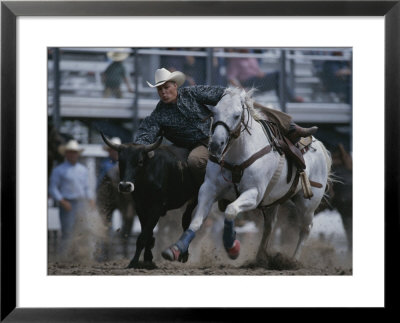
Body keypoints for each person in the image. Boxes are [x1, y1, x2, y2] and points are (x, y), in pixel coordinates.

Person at [134, 68, 317, 187]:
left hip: (223, 131)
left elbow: (222, 93)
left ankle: (291, 127)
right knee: (194, 161)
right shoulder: (158, 115)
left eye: (167, 87)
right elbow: (145, 133)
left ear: (175, 85)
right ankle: (204, 191)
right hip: (200, 145)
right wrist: (137, 147)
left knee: (247, 102)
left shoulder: (191, 93)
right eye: (160, 90)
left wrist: (235, 101)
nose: (164, 92)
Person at [49, 139, 95, 254]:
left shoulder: (83, 170)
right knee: (68, 232)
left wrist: (90, 199)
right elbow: (52, 188)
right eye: (70, 152)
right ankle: (63, 257)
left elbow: (86, 187)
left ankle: (80, 256)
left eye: (74, 152)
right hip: (67, 203)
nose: (72, 154)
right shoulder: (59, 170)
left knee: (82, 230)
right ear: (66, 154)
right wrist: (62, 201)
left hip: (81, 203)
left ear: (77, 154)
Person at [226, 49, 304, 103]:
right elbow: (230, 77)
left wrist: (261, 73)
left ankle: (285, 99)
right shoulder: (235, 59)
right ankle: (289, 98)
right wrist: (241, 88)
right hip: (248, 82)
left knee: (278, 79)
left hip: (258, 79)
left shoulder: (251, 56)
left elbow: (257, 70)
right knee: (278, 75)